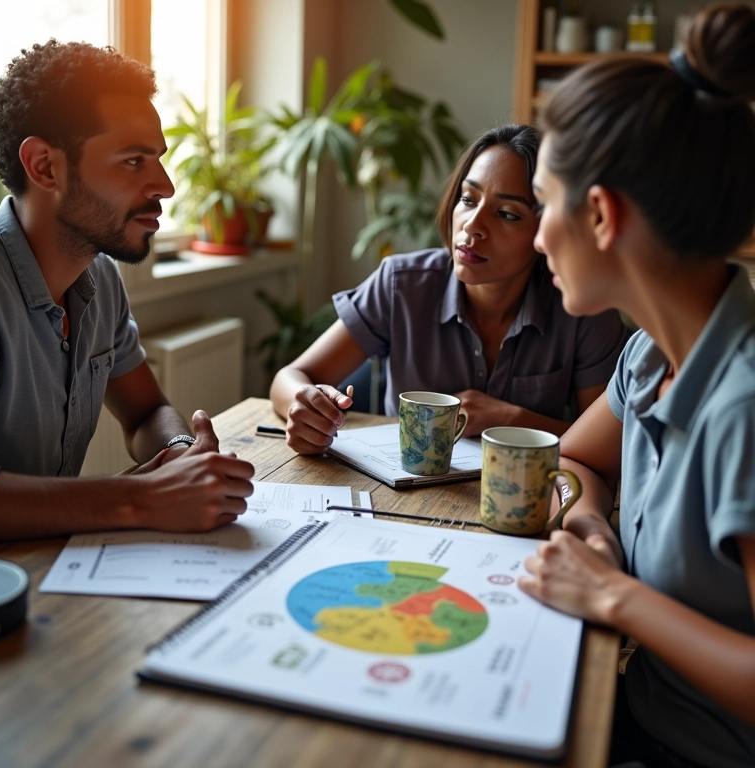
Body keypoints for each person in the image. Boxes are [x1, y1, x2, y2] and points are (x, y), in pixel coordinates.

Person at [518, 4, 755, 767]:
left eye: (543, 201)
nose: (536, 233)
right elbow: (577, 459)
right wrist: (590, 527)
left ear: (598, 214)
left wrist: (614, 596)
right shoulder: (651, 354)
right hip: (630, 717)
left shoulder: (744, 409)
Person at [0, 40, 254, 541]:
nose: (166, 186)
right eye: (133, 162)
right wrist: (141, 499)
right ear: (44, 166)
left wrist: (178, 452)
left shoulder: (100, 277)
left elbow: (145, 413)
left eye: (158, 159)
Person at [270, 124, 630, 454]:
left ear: (547, 228)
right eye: (469, 199)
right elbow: (289, 379)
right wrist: (303, 404)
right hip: (401, 492)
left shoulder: (582, 308)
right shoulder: (402, 284)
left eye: (507, 214)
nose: (472, 227)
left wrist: (510, 417)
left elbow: (611, 444)